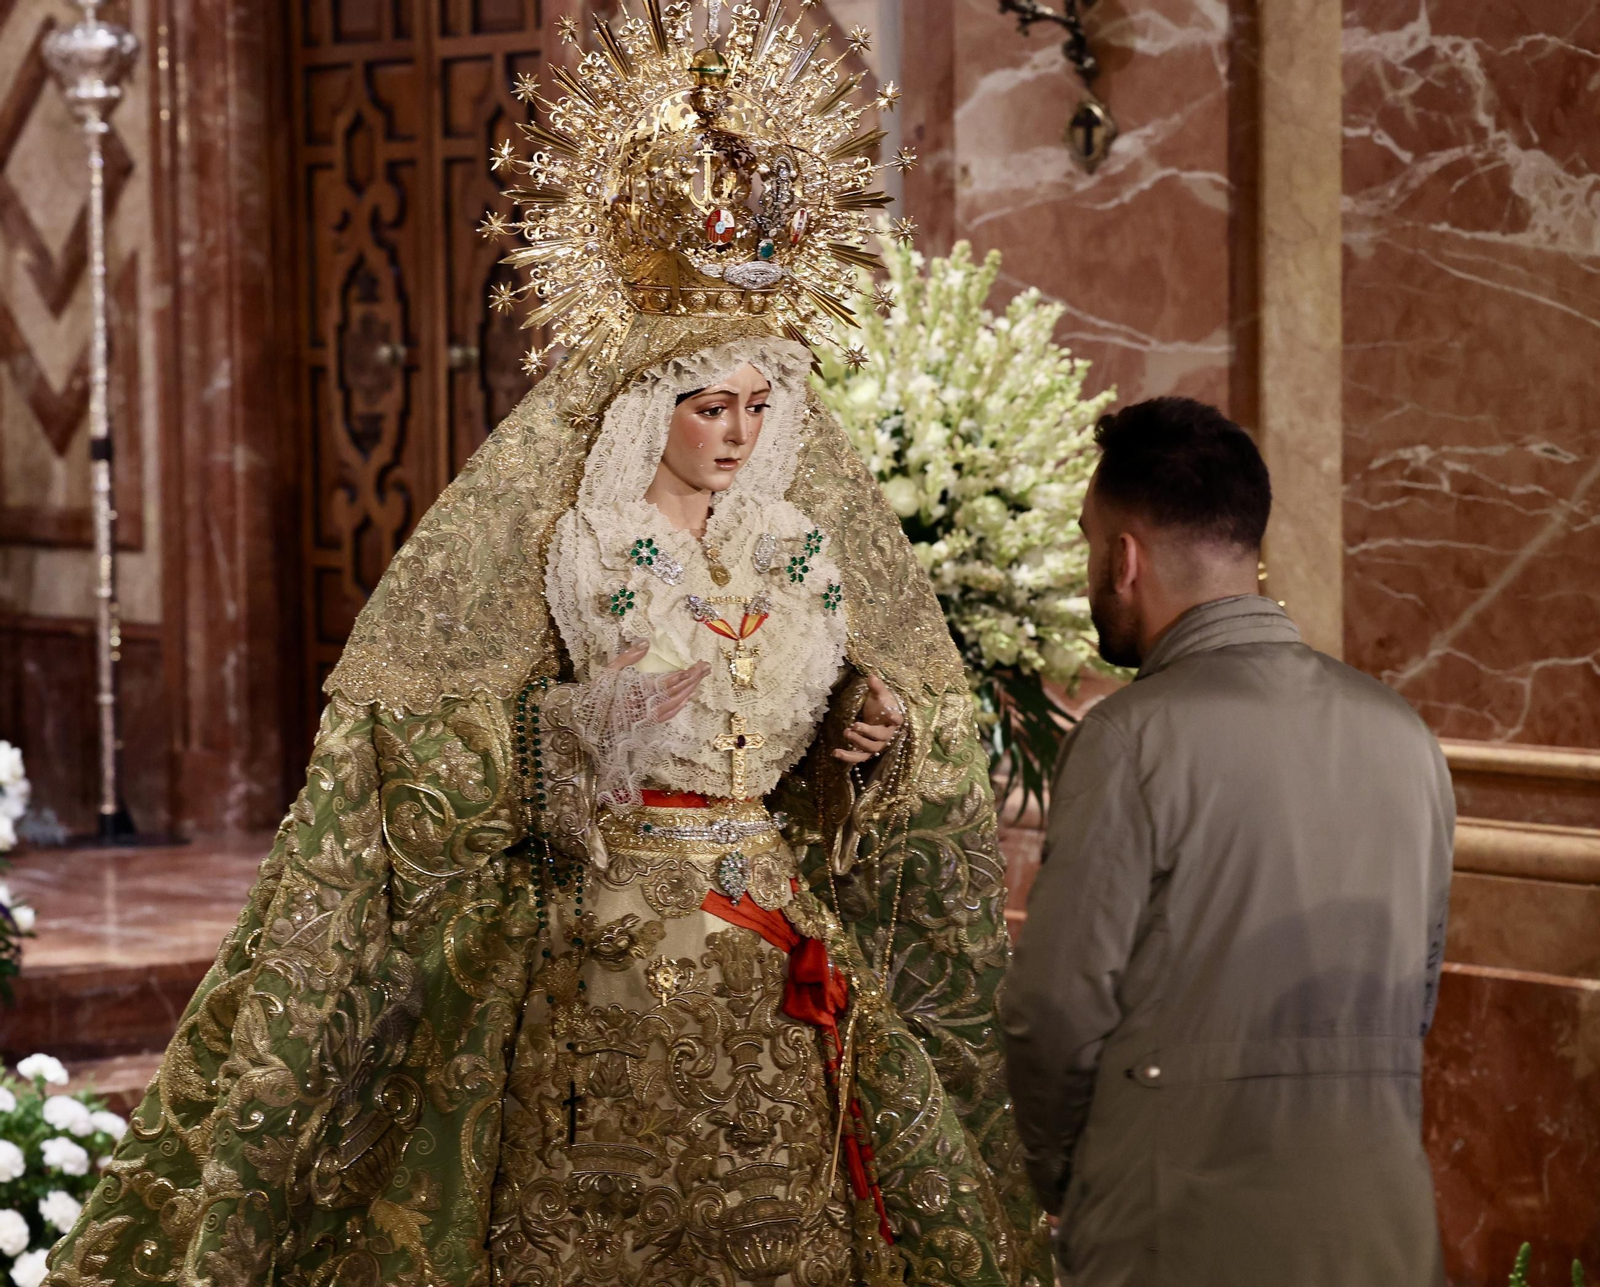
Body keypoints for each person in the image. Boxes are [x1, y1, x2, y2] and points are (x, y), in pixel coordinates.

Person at [42, 7, 1048, 1286]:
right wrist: (576, 734)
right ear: (649, 407)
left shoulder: (799, 550)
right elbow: (427, 748)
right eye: (707, 406)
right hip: (607, 950)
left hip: (772, 948)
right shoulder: (567, 546)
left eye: (756, 407)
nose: (735, 434)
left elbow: (813, 759)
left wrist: (862, 732)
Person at [1000, 396, 1454, 1286]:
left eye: (1092, 541)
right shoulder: (1407, 734)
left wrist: (1066, 1177)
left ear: (1124, 557)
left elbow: (1054, 1008)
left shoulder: (1130, 737)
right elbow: (1415, 996)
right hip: (1385, 1232)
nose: (1094, 571)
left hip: (1176, 1230)